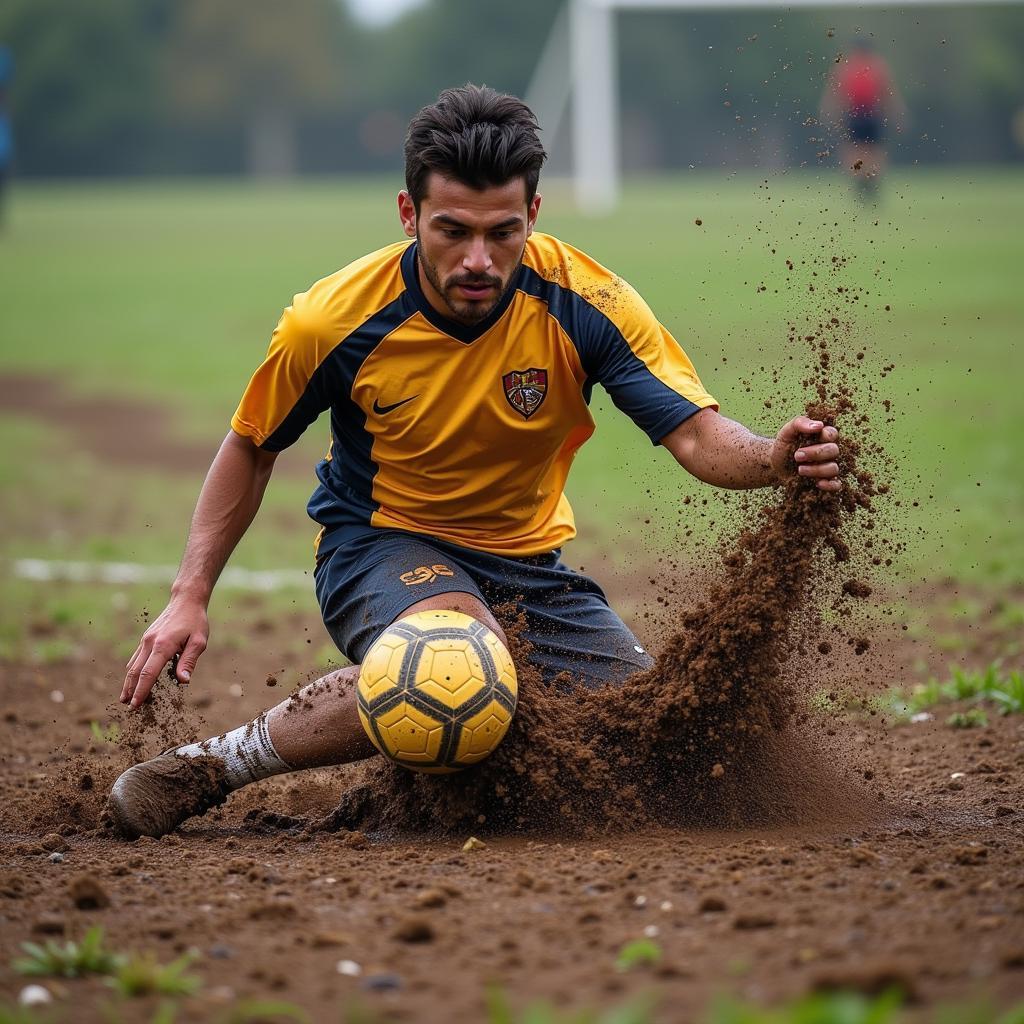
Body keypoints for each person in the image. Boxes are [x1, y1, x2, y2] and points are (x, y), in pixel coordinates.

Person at [107, 84, 842, 839]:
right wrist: (189, 592)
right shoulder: (332, 321)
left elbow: (693, 433)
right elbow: (251, 445)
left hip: (532, 569)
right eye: (452, 231)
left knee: (662, 742)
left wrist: (774, 457)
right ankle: (212, 766)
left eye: (504, 232)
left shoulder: (587, 302)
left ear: (535, 215)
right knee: (458, 658)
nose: (479, 260)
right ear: (407, 214)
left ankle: (396, 793)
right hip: (381, 543)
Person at [820, 38, 906, 201]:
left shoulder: (846, 67)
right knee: (873, 150)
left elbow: (834, 94)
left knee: (855, 150)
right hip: (872, 115)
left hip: (855, 115)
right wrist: (898, 114)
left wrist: (829, 113)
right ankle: (870, 182)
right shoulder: (878, 66)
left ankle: (861, 182)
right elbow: (889, 93)